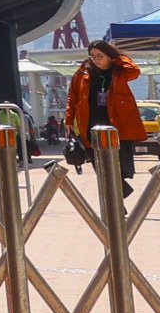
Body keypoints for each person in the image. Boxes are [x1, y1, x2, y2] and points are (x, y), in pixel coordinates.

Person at [63, 35, 153, 197]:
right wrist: (69, 119)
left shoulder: (119, 71)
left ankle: (116, 196)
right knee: (98, 162)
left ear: (108, 55)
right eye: (93, 56)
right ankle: (117, 197)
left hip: (116, 120)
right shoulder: (82, 72)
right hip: (90, 120)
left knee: (119, 162)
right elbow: (72, 96)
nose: (96, 60)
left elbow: (134, 71)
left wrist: (118, 58)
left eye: (100, 56)